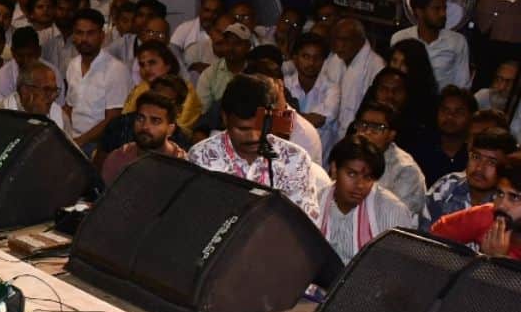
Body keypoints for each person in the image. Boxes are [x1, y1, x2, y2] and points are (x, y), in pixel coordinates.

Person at [187, 75, 330, 224]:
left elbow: (304, 226)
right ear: (224, 118)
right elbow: (194, 219)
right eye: (243, 129)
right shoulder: (200, 158)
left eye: (260, 127)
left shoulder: (295, 160)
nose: (254, 137)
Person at [321, 138, 416, 263]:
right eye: (352, 174)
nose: (360, 185)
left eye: (367, 177)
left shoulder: (393, 211)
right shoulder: (314, 200)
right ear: (334, 169)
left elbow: (399, 269)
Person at [63, 9, 134, 151]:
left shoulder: (116, 70)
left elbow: (114, 119)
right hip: (73, 139)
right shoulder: (73, 65)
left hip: (100, 144)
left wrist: (80, 141)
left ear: (102, 36)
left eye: (90, 33)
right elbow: (69, 108)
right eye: (79, 33)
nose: (84, 39)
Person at [347, 100, 428, 220]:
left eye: (377, 127)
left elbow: (395, 217)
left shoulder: (406, 170)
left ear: (391, 135)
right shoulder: (348, 157)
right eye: (363, 125)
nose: (367, 132)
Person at [424, 126, 516, 224]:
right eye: (476, 157)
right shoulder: (447, 184)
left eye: (491, 162)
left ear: (506, 167)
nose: (479, 168)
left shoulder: (508, 204)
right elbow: (419, 233)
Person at [389, 0, 471, 91]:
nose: (443, 14)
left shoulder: (457, 41)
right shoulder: (400, 38)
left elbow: (462, 86)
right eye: (436, 9)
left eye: (444, 8)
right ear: (419, 11)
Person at [318, 17, 382, 153]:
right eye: (336, 40)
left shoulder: (376, 66)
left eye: (345, 40)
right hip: (331, 135)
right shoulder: (333, 60)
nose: (339, 46)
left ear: (360, 40)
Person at [100, 90, 188, 186]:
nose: (145, 126)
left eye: (155, 121)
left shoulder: (182, 168)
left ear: (170, 129)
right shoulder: (119, 158)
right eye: (140, 119)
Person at [125, 40, 204, 132]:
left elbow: (182, 126)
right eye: (142, 65)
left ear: (168, 65)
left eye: (152, 63)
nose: (146, 69)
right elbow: (127, 119)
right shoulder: (140, 89)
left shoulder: (185, 89)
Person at [417, 86, 477, 185]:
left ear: (471, 116)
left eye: (458, 112)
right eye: (445, 110)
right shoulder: (421, 147)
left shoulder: (475, 153)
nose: (450, 117)